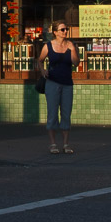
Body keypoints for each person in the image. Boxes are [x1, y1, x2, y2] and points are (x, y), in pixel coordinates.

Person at [37, 19, 79, 154]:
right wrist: (43, 71)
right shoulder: (48, 46)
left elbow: (76, 63)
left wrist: (72, 50)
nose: (65, 31)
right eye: (62, 29)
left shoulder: (70, 45)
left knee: (66, 114)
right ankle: (53, 144)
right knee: (52, 114)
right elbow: (40, 60)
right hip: (52, 83)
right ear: (55, 32)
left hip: (67, 84)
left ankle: (66, 144)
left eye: (66, 29)